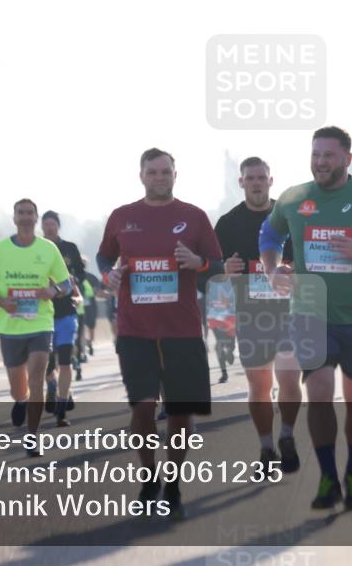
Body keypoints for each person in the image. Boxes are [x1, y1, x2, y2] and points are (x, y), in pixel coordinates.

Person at [259, 126, 352, 510]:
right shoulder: (294, 199)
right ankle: (328, 476)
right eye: (315, 154)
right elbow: (269, 236)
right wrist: (272, 271)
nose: (320, 162)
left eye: (328, 155)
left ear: (347, 159)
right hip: (310, 314)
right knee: (320, 393)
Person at [97, 147, 222, 519]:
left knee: (181, 414)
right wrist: (109, 274)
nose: (159, 177)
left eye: (165, 171)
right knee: (143, 408)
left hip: (182, 330)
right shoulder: (122, 217)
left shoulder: (194, 217)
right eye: (152, 172)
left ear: (175, 174)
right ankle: (149, 475)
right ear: (141, 176)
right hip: (135, 330)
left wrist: (197, 262)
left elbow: (216, 267)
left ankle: (173, 481)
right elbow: (104, 257)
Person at [214, 156, 302, 472]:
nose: (256, 183)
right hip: (250, 315)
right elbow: (212, 273)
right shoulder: (227, 224)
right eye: (250, 178)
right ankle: (266, 447)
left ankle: (288, 435)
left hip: (289, 312)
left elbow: (307, 263)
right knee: (260, 385)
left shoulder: (288, 217)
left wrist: (292, 269)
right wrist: (224, 270)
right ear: (241, 182)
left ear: (270, 180)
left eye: (261, 177)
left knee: (290, 379)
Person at [0, 199, 70, 454]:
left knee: (37, 376)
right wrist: (1, 301)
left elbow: (67, 285)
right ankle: (20, 399)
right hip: (10, 327)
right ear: (14, 218)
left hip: (41, 323)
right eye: (21, 213)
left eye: (30, 213)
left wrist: (51, 290)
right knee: (19, 387)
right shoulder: (0, 249)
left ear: (36, 217)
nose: (26, 217)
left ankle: (32, 437)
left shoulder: (48, 249)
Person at [40, 210, 83, 427]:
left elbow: (81, 274)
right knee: (47, 365)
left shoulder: (70, 248)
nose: (49, 228)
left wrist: (73, 280)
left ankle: (61, 408)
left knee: (65, 361)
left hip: (66, 313)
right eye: (45, 224)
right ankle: (54, 386)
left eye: (52, 224)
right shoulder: (35, 250)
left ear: (58, 226)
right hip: (41, 316)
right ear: (42, 227)